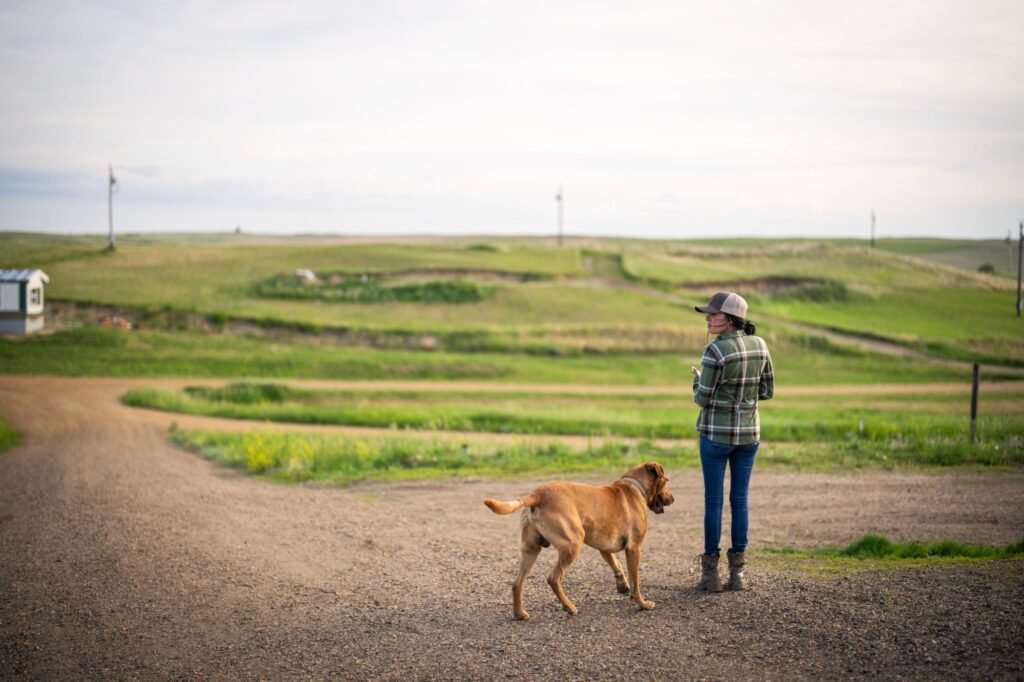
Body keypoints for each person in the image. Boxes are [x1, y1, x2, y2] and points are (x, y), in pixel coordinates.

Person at [690, 292, 774, 592]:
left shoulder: (715, 351)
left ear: (731, 319)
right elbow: (766, 392)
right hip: (749, 436)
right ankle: (737, 574)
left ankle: (710, 575)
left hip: (715, 435)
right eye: (708, 314)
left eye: (714, 314)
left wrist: (697, 381)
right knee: (740, 501)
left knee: (713, 502)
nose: (708, 318)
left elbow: (702, 398)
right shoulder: (761, 345)